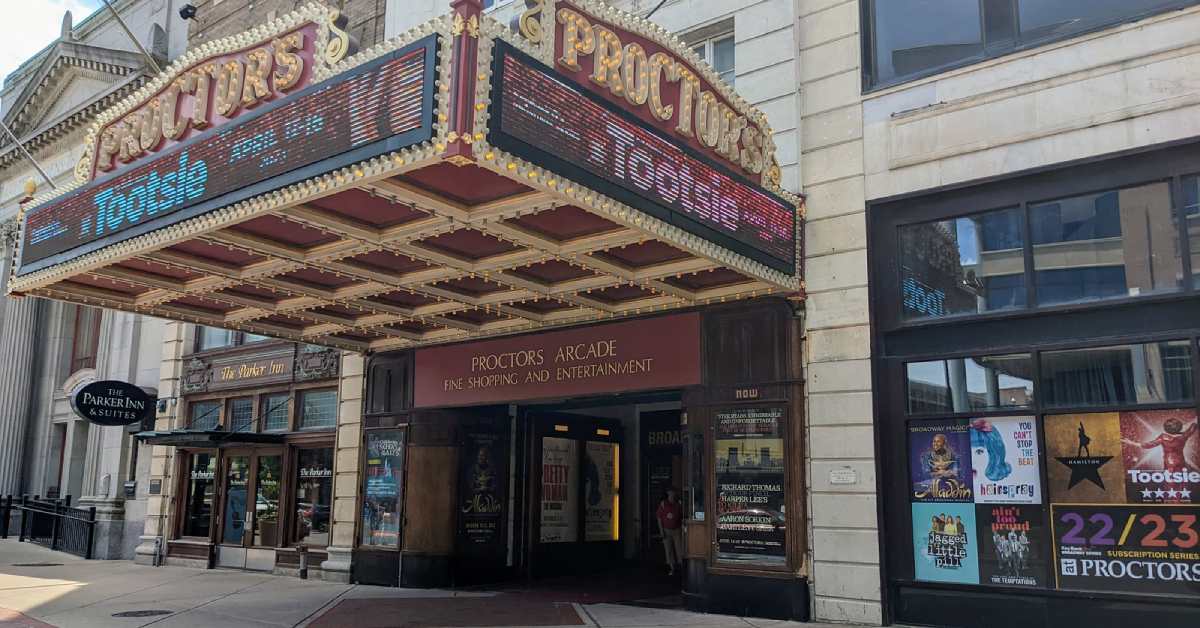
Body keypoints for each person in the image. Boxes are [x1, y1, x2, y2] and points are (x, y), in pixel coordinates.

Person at [1124, 417, 1198, 472]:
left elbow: (1147, 445)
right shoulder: (1183, 436)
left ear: (1165, 428)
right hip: (1181, 461)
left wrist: (1131, 442)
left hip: (1168, 462)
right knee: (1181, 478)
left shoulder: (1163, 437)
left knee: (1170, 480)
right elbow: (1192, 428)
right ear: (1180, 427)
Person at [656, 487, 684, 575]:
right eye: (671, 492)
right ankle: (672, 568)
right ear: (668, 493)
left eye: (673, 493)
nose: (672, 494)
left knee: (679, 549)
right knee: (668, 550)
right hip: (666, 530)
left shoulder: (678, 504)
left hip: (677, 530)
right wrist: (661, 531)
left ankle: (682, 568)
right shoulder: (663, 504)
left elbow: (682, 516)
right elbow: (659, 518)